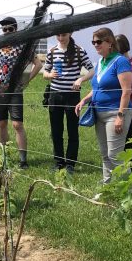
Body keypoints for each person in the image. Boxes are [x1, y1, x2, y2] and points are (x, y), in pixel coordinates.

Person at [0, 17, 42, 169]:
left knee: (17, 124)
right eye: (4, 29)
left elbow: (38, 64)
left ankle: (23, 160)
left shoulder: (23, 46)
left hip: (15, 90)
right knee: (1, 123)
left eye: (10, 29)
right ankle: (4, 156)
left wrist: (27, 80)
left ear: (16, 29)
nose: (7, 32)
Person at [75, 27, 132, 184]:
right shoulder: (100, 62)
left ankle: (131, 189)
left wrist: (120, 116)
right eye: (93, 42)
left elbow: (126, 91)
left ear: (109, 42)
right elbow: (97, 88)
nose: (95, 45)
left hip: (115, 113)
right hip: (99, 113)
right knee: (105, 154)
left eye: (98, 41)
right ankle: (107, 186)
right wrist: (84, 100)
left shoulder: (121, 62)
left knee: (115, 155)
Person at [43, 30, 94, 172]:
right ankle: (59, 162)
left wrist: (80, 79)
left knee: (72, 130)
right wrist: (49, 75)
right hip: (55, 95)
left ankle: (70, 163)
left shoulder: (79, 51)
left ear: (70, 34)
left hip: (72, 96)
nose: (61, 38)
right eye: (58, 35)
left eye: (63, 35)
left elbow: (92, 70)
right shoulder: (52, 51)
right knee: (56, 131)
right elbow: (45, 73)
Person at [115, 34, 132, 149]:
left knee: (128, 139)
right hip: (115, 104)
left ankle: (130, 165)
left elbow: (124, 86)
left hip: (129, 105)